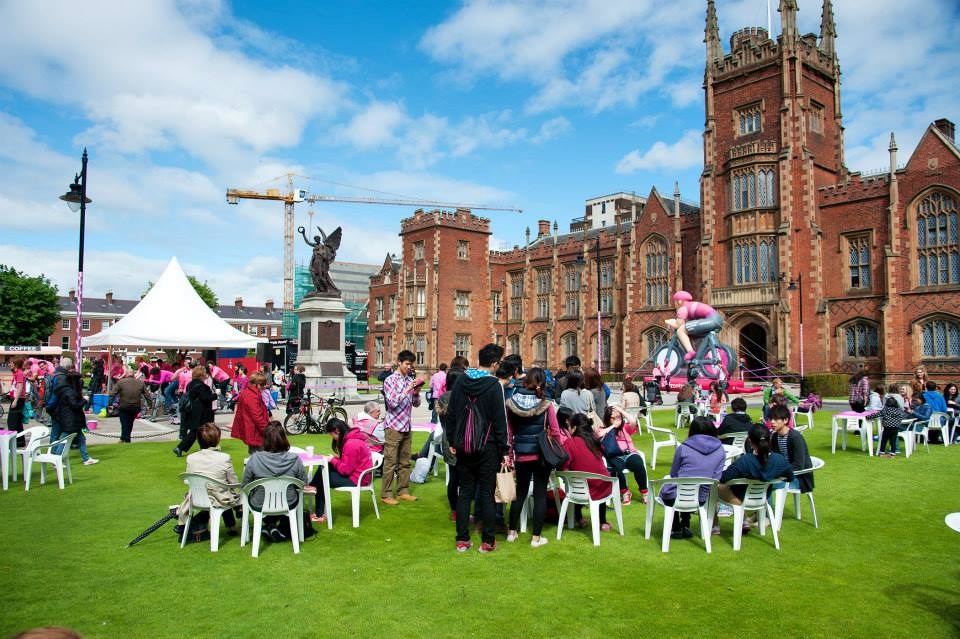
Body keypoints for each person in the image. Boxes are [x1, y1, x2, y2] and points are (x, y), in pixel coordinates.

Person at [447, 343, 510, 553]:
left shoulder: (462, 380)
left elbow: (453, 412)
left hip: (464, 444)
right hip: (488, 446)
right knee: (486, 493)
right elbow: (500, 420)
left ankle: (462, 539)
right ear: (493, 363)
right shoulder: (494, 385)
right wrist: (504, 450)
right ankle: (488, 540)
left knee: (464, 492)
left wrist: (452, 441)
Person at [505, 367, 562, 548]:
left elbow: (509, 432)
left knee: (520, 493)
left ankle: (512, 532)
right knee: (539, 495)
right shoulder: (546, 404)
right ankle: (536, 538)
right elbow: (555, 431)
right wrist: (556, 450)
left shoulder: (512, 402)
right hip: (541, 454)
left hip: (522, 453)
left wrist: (510, 453)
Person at [241, 421, 311, 543]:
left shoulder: (254, 459)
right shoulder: (294, 459)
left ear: (265, 439)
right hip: (288, 501)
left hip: (261, 502)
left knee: (252, 495)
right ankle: (272, 525)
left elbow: (245, 484)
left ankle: (271, 525)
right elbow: (303, 482)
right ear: (284, 438)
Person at [658, 416, 725, 539]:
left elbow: (674, 473)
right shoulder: (720, 450)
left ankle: (677, 526)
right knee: (686, 485)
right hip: (702, 497)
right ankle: (685, 524)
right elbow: (717, 477)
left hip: (680, 496)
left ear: (692, 431)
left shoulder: (683, 448)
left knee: (671, 488)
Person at [718, 425, 794, 525]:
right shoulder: (779, 460)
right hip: (763, 497)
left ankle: (716, 524)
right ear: (769, 438)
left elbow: (723, 478)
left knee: (715, 486)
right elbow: (790, 476)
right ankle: (743, 519)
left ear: (750, 441)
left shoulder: (744, 461)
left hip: (740, 497)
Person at [176, 423, 241, 532]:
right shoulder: (224, 458)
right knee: (226, 491)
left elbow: (187, 480)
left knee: (220, 489)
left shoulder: (191, 458)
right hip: (220, 498)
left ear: (198, 440)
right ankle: (235, 518)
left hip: (197, 498)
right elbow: (233, 482)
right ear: (217, 440)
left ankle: (232, 526)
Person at [308, 418, 373, 524]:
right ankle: (313, 487)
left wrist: (333, 460)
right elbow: (348, 463)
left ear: (337, 431)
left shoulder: (351, 444)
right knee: (325, 467)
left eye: (331, 435)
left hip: (357, 479)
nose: (332, 438)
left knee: (323, 477)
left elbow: (345, 470)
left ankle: (319, 511)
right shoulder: (353, 438)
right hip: (358, 475)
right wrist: (333, 460)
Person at [380, 350, 424, 505]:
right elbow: (392, 403)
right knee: (390, 462)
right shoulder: (390, 380)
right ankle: (386, 494)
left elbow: (416, 404)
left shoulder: (409, 380)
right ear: (399, 362)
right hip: (393, 426)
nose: (409, 367)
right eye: (406, 364)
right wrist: (407, 390)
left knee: (405, 462)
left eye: (411, 364)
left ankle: (403, 491)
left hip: (406, 425)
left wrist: (416, 393)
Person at [561, 412, 613, 531]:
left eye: (569, 427)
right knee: (590, 480)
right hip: (602, 484)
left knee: (577, 481)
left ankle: (579, 517)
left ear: (574, 428)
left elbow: (564, 465)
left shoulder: (570, 442)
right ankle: (602, 522)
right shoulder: (594, 440)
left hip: (581, 487)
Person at [595, 404, 648, 506]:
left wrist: (621, 411)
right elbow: (598, 435)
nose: (617, 420)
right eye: (613, 418)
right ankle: (625, 492)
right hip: (615, 456)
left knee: (638, 464)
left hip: (629, 453)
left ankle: (644, 492)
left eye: (618, 417)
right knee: (616, 468)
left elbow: (633, 421)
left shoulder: (625, 428)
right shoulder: (603, 429)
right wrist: (612, 427)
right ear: (608, 418)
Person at [49, 369, 98, 466]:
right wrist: (84, 400)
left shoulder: (66, 390)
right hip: (70, 419)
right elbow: (75, 405)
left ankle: (86, 458)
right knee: (64, 439)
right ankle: (56, 460)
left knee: (81, 438)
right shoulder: (69, 391)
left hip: (73, 419)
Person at [436, 366, 465, 521]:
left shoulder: (442, 398)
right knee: (465, 477)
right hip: (460, 440)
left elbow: (442, 421)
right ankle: (461, 510)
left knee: (453, 477)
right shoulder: (461, 397)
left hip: (447, 439)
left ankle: (455, 510)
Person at [664, 290, 723, 361]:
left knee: (681, 331)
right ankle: (703, 355)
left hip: (711, 320)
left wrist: (669, 322)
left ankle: (690, 352)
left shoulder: (683, 308)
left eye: (675, 301)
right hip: (718, 320)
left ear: (680, 301)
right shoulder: (693, 304)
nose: (675, 303)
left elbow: (679, 325)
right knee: (692, 332)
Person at [768, 404, 813, 494]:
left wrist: (777, 472)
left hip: (798, 479)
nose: (772, 422)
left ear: (786, 420)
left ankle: (768, 508)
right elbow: (774, 458)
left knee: (767, 484)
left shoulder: (795, 437)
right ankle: (767, 508)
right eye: (771, 419)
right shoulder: (775, 436)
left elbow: (798, 465)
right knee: (763, 481)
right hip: (784, 475)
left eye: (776, 419)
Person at [173, 366, 215, 456]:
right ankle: (180, 447)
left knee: (198, 431)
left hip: (192, 411)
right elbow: (206, 398)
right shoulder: (202, 386)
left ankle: (203, 448)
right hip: (201, 412)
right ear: (201, 375)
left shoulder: (190, 384)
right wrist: (215, 395)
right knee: (196, 431)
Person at [230, 372, 270, 455]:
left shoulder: (249, 392)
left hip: (253, 430)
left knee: (255, 456)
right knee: (260, 457)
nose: (263, 387)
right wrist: (268, 433)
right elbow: (257, 417)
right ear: (256, 384)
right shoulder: (251, 395)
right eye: (262, 385)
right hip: (255, 431)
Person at [109, 368, 148, 444]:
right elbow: (147, 394)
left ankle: (126, 439)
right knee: (130, 423)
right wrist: (150, 404)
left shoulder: (120, 382)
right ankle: (124, 438)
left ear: (126, 374)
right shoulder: (140, 383)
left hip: (124, 406)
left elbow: (112, 393)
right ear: (133, 374)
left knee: (124, 423)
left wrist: (110, 404)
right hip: (135, 406)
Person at [6, 358, 27, 441]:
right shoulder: (16, 373)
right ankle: (20, 441)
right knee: (17, 421)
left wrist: (15, 400)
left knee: (12, 421)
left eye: (10, 363)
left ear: (16, 364)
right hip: (16, 398)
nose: (9, 364)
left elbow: (20, 387)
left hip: (18, 399)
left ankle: (12, 442)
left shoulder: (19, 373)